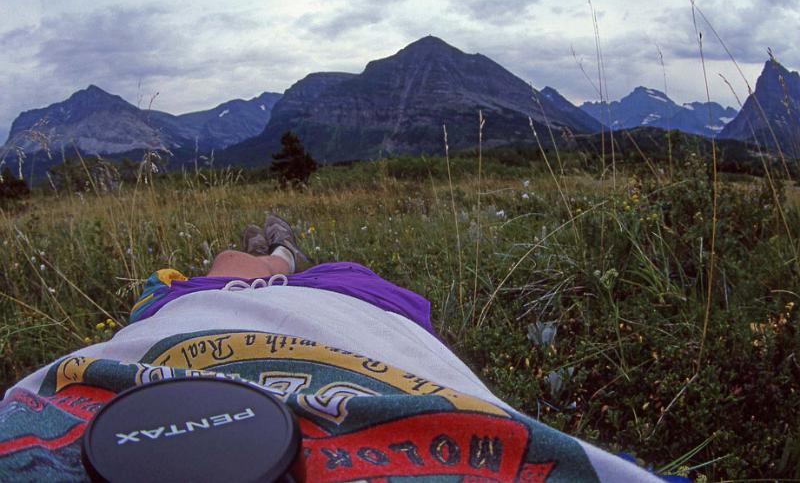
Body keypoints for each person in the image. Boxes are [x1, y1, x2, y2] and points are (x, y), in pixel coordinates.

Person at [0, 215, 670, 481]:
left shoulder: (170, 293)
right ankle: (283, 247)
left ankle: (281, 248)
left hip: (174, 325)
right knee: (247, 260)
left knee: (238, 260)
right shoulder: (369, 292)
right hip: (329, 310)